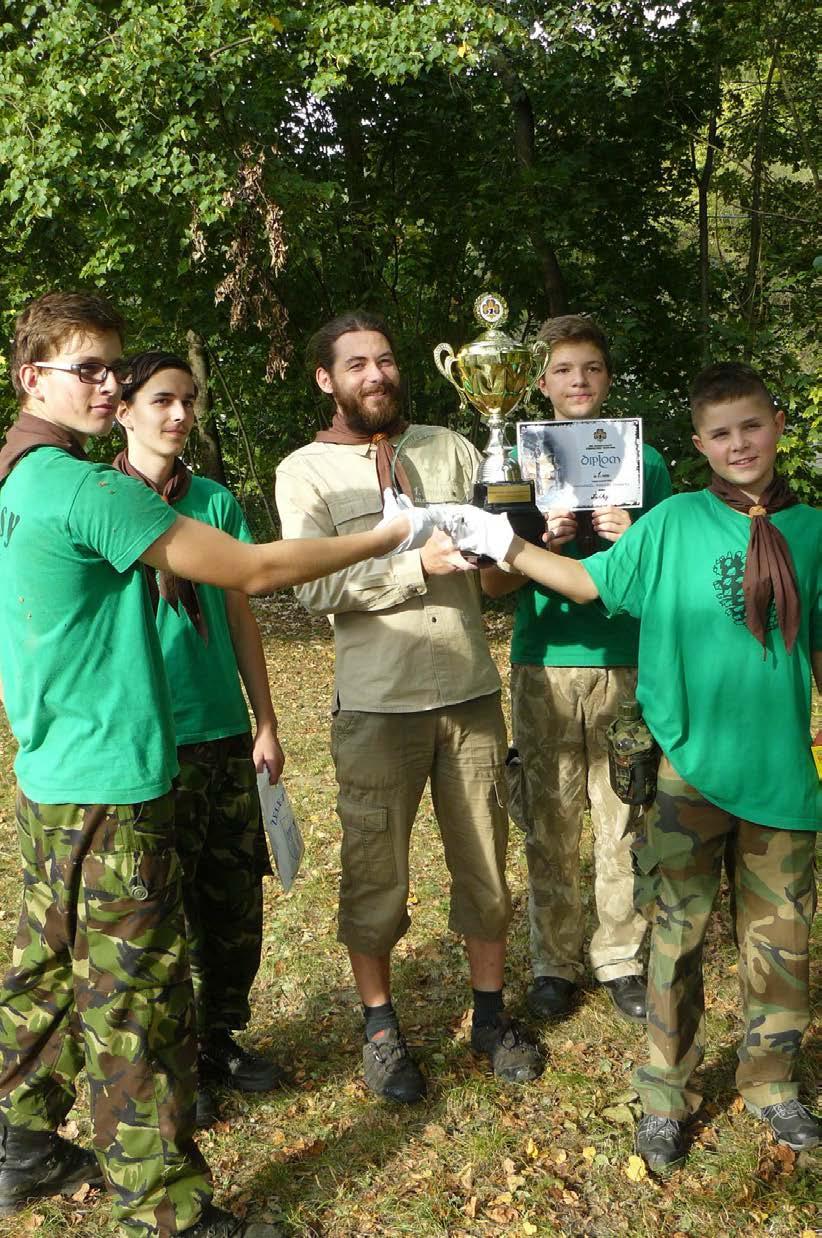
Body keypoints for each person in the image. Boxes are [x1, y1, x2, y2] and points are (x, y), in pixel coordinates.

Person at [0, 292, 425, 1235]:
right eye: (88, 370)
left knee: (46, 962)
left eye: (115, 367)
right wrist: (393, 532)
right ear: (33, 378)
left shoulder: (14, 479)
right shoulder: (86, 488)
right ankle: (165, 1208)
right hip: (112, 778)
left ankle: (22, 1142)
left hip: (51, 769)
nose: (109, 386)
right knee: (135, 994)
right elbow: (256, 572)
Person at [446, 361, 821, 1172]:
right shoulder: (674, 522)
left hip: (783, 780)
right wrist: (504, 543)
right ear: (699, 444)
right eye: (720, 433)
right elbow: (585, 580)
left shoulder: (815, 533)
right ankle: (664, 1092)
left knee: (783, 944)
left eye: (751, 426)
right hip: (687, 772)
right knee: (675, 944)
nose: (739, 444)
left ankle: (772, 1082)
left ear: (778, 426)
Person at [274, 310, 543, 1105]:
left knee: (487, 865)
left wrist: (521, 541)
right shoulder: (306, 472)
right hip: (377, 704)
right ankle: (382, 1030)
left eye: (384, 361)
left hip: (469, 692)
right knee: (375, 874)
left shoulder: (455, 448)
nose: (376, 375)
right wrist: (414, 568)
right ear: (326, 379)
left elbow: (494, 579)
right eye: (356, 364)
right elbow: (313, 585)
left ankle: (490, 1018)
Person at [482, 316, 672, 1023]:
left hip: (626, 661)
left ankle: (621, 956)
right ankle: (555, 964)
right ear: (541, 383)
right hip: (545, 663)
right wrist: (539, 537)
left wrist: (635, 541)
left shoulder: (647, 465)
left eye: (591, 368)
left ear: (608, 379)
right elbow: (492, 588)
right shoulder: (516, 463)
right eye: (564, 370)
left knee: (623, 815)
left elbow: (670, 576)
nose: (578, 381)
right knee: (550, 818)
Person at [115, 352, 287, 1130]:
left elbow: (243, 614)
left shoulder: (215, 503)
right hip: (144, 741)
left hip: (221, 733)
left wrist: (266, 719)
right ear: (122, 409)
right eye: (162, 400)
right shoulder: (100, 502)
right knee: (160, 909)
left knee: (231, 900)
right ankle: (176, 1058)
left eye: (187, 401)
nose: (179, 415)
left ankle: (219, 1038)